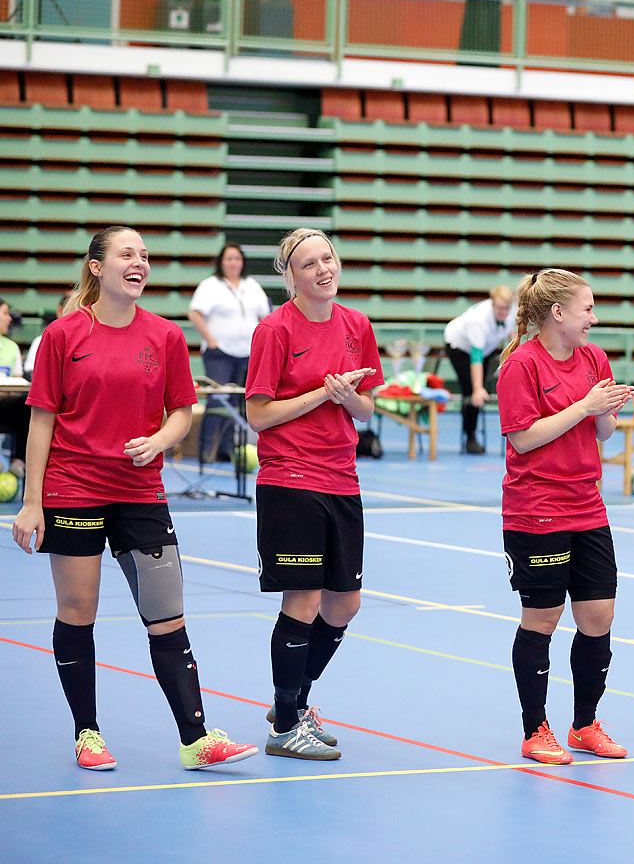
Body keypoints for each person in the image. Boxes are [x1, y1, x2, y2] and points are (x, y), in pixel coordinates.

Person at [10, 226, 258, 771]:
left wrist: (160, 442)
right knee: (78, 611)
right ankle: (87, 733)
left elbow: (180, 410)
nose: (139, 262)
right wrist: (31, 502)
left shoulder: (166, 336)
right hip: (73, 490)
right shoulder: (63, 335)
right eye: (127, 254)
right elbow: (41, 420)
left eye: (144, 255)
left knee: (166, 614)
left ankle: (196, 739)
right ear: (97, 267)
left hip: (140, 492)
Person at [246, 228, 384, 761]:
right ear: (291, 277)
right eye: (308, 264)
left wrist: (349, 398)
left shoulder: (357, 325)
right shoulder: (275, 330)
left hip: (341, 476)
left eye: (328, 258)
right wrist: (318, 395)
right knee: (302, 598)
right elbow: (259, 415)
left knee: (344, 603)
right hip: (290, 477)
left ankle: (295, 703)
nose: (323, 269)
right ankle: (284, 724)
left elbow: (368, 410)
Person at [497, 269, 634, 764]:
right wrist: (584, 406)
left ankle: (584, 723)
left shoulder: (594, 357)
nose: (594, 319)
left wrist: (606, 408)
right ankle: (535, 729)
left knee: (599, 617)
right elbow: (524, 438)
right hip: (536, 510)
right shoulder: (521, 365)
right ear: (558, 313)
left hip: (587, 506)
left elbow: (604, 433)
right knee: (542, 619)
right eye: (588, 309)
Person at [188, 243, 272, 461]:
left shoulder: (252, 285)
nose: (233, 263)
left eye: (237, 258)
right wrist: (211, 340)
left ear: (242, 262)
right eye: (229, 259)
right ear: (221, 262)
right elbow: (195, 314)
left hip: (246, 354)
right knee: (217, 401)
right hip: (220, 354)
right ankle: (206, 451)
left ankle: (226, 450)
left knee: (237, 404)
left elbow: (266, 317)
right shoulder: (210, 286)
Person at [443, 284, 518, 454]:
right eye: (500, 308)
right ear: (492, 304)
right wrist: (478, 389)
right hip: (459, 346)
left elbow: (511, 334)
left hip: (487, 346)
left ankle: (471, 428)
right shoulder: (478, 321)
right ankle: (470, 436)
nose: (504, 312)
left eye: (507, 308)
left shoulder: (511, 311)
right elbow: (476, 357)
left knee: (480, 385)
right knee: (471, 390)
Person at [0, 298, 27, 475]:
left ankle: (19, 460)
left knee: (27, 405)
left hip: (4, 403)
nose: (9, 318)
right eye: (4, 313)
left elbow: (18, 381)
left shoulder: (12, 347)